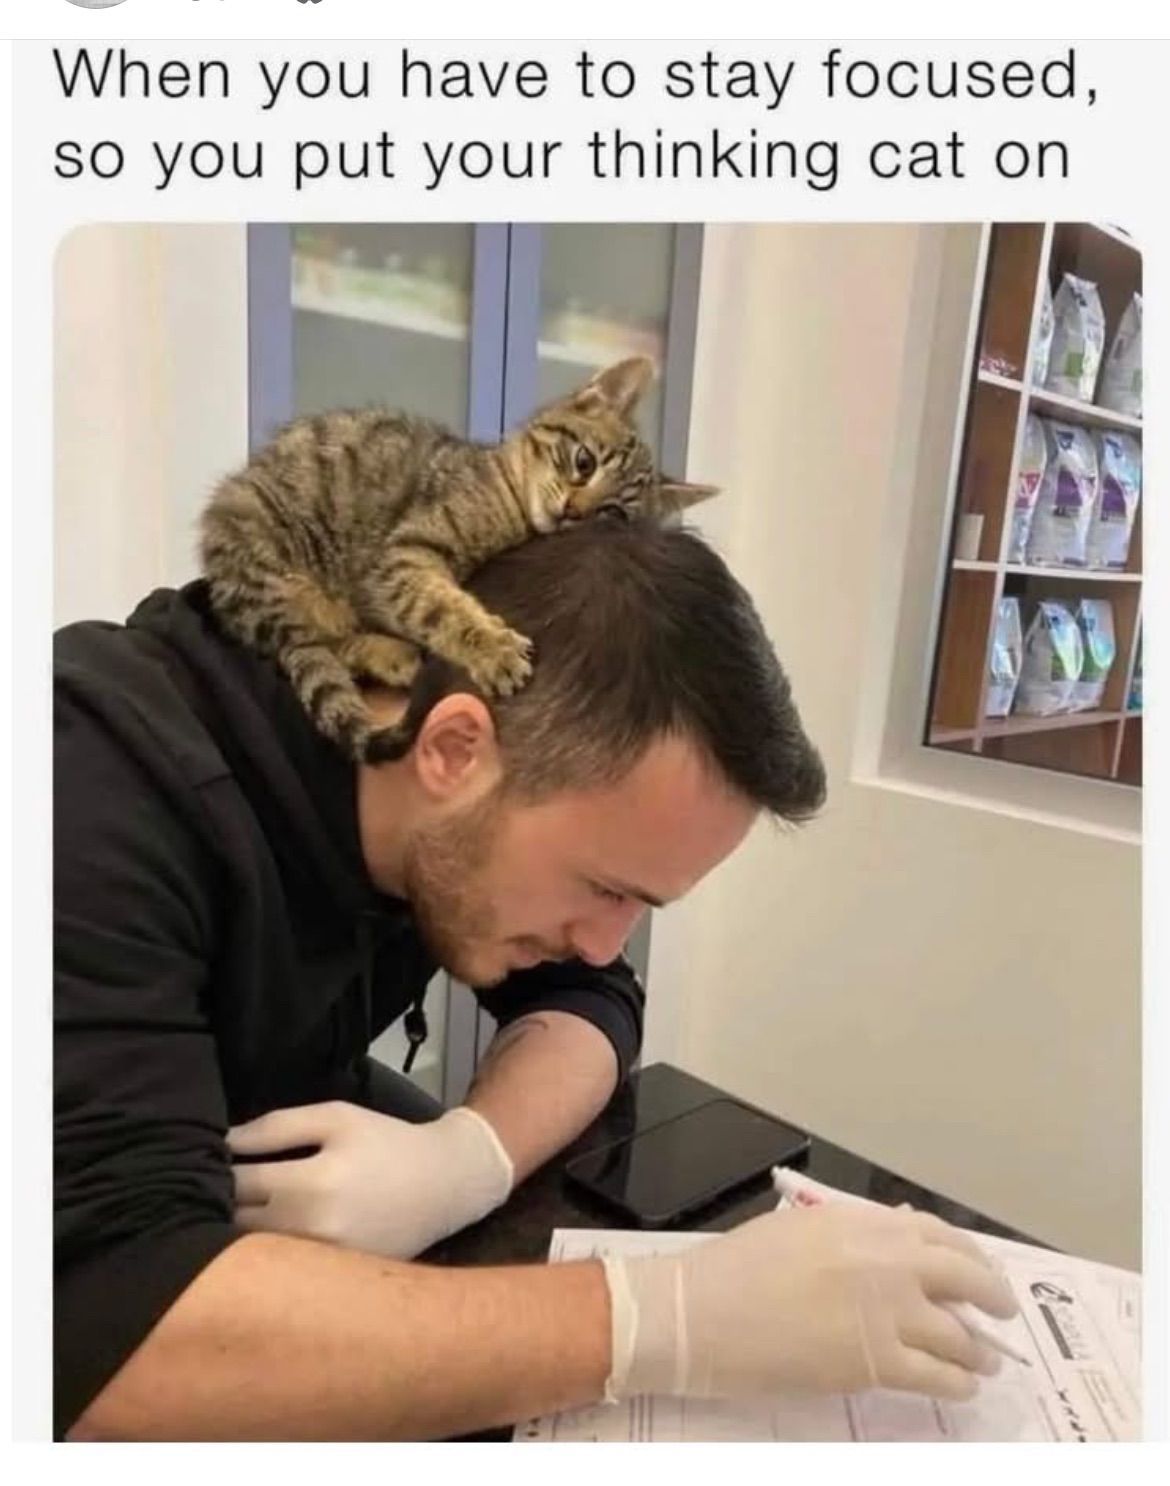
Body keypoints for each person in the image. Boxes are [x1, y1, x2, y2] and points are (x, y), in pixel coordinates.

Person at [54, 517, 1017, 1441]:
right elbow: (107, 1338)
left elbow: (592, 1001)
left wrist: (465, 1161)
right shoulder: (83, 795)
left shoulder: (423, 795)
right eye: (603, 888)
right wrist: (660, 1320)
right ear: (452, 748)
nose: (607, 943)